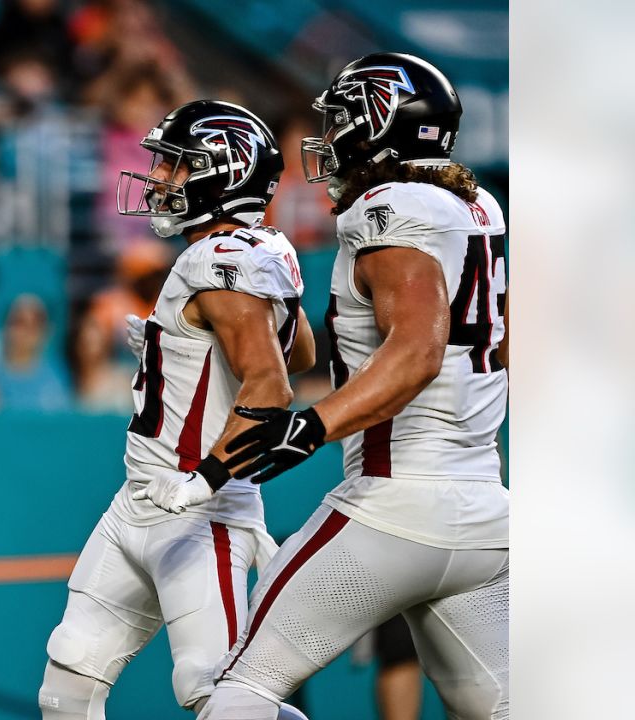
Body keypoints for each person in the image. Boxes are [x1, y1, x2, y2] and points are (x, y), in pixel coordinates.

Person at [202, 52, 509, 720]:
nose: (332, 137)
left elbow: (418, 349)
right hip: (486, 512)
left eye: (343, 119)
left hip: (394, 505)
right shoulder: (477, 206)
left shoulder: (390, 207)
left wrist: (310, 427)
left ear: (381, 121)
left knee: (236, 691)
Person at [37, 100, 315, 719]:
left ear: (225, 173)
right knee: (67, 686)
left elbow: (272, 385)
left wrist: (207, 476)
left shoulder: (222, 261)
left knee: (215, 694)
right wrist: (181, 349)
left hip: (199, 509)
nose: (159, 178)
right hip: (137, 502)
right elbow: (301, 351)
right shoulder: (251, 248)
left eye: (176, 165)